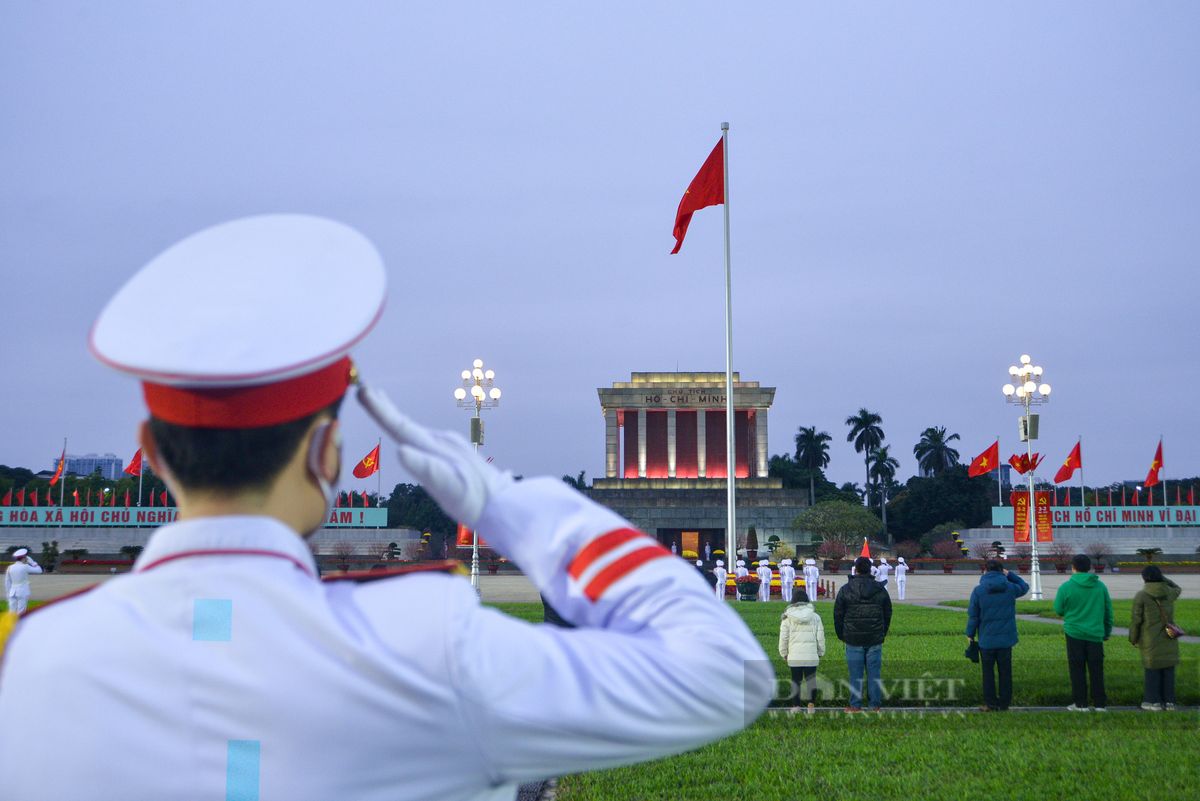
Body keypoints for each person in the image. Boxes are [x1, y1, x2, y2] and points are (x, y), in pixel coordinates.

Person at [0, 215, 774, 800]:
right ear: (326, 452)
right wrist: (513, 504)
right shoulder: (427, 646)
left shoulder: (33, 664)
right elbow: (726, 672)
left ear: (152, 448)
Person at [965, 560, 1029, 711]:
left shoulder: (979, 590)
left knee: (988, 673)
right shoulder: (1010, 588)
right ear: (1002, 571)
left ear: (985, 571)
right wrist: (1010, 575)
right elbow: (1025, 587)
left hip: (986, 639)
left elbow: (973, 615)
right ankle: (1005, 703)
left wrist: (970, 634)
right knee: (1005, 672)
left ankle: (991, 703)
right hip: (1006, 640)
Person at [1053, 553, 1113, 711]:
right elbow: (1108, 612)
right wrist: (1106, 631)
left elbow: (1058, 609)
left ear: (1073, 568)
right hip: (1095, 634)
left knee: (1077, 669)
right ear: (1089, 568)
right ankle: (1100, 704)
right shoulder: (1100, 586)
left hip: (1074, 633)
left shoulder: (1066, 587)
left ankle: (1080, 704)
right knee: (1097, 670)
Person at [833, 556, 892, 712]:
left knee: (855, 674)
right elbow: (887, 614)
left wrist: (842, 635)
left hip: (853, 638)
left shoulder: (846, 589)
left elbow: (838, 615)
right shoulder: (880, 589)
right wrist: (882, 633)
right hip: (874, 638)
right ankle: (874, 705)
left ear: (856, 569)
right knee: (874, 673)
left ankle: (855, 705)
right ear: (870, 569)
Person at [1128, 565, 1182, 711]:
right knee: (1168, 670)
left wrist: (1133, 638)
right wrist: (1161, 578)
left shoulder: (1142, 595)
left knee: (1152, 670)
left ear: (1144, 578)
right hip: (1169, 637)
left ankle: (1152, 701)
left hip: (1150, 639)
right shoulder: (1170, 593)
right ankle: (1169, 702)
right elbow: (1177, 588)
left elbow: (1136, 620)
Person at [778, 600, 826, 712]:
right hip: (811, 654)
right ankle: (811, 706)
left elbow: (783, 638)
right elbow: (820, 637)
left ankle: (796, 706)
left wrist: (784, 653)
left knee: (795, 680)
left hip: (794, 655)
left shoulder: (787, 618)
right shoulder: (815, 617)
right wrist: (820, 652)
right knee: (811, 680)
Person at [4, 548, 42, 615]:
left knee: (12, 612)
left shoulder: (10, 567)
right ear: (24, 557)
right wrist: (32, 562)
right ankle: (19, 625)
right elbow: (39, 570)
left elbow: (7, 582)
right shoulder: (25, 566)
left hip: (12, 592)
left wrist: (8, 594)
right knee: (21, 612)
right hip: (22, 591)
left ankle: (11, 624)